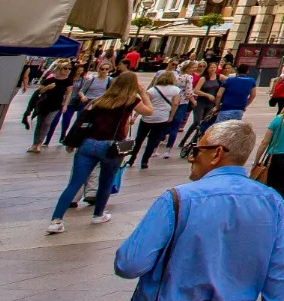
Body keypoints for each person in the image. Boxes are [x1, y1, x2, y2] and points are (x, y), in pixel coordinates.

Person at [112, 119, 284, 301]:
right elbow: (277, 270)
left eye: (197, 149)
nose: (192, 156)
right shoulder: (271, 201)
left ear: (217, 153)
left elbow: (129, 264)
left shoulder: (180, 198)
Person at [49, 71, 152, 233]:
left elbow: (83, 119)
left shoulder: (100, 99)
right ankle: (98, 214)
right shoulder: (132, 100)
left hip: (88, 143)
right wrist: (143, 93)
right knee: (105, 182)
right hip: (111, 145)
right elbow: (149, 111)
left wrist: (72, 140)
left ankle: (56, 220)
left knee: (74, 183)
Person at [134, 70, 187, 167]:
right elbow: (175, 104)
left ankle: (132, 158)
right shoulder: (176, 90)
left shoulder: (152, 90)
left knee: (139, 139)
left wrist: (135, 116)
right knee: (153, 140)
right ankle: (145, 161)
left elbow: (144, 103)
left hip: (148, 117)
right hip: (162, 118)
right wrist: (171, 116)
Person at [25, 64, 73, 154]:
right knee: (40, 123)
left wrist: (65, 105)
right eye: (65, 68)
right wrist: (48, 87)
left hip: (56, 105)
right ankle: (34, 144)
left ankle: (39, 143)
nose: (68, 70)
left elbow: (68, 94)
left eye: (69, 68)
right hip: (44, 104)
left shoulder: (68, 81)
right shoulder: (50, 80)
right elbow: (40, 91)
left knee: (46, 123)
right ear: (59, 69)